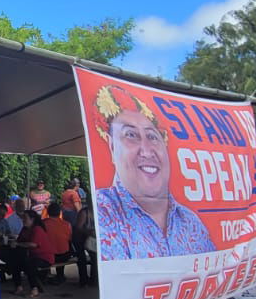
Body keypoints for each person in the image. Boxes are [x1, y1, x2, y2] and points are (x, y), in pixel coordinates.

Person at [91, 86, 216, 260]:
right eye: (131, 135)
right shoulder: (105, 213)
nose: (147, 151)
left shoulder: (190, 222)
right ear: (112, 147)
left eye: (152, 137)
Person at [13, 211, 52, 297]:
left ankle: (34, 288)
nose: (23, 220)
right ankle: (18, 287)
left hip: (44, 257)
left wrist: (18, 244)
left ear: (32, 219)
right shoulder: (25, 229)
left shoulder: (37, 229)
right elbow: (19, 240)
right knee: (15, 262)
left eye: (25, 218)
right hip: (31, 255)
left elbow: (33, 244)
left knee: (29, 264)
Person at [42, 202, 75, 284]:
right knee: (64, 247)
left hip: (49, 256)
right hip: (65, 255)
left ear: (48, 212)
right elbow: (70, 239)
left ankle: (45, 275)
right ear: (60, 212)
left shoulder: (43, 223)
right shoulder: (67, 224)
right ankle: (60, 275)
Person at [73, 206, 98, 286]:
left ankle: (93, 280)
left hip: (90, 238)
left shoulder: (98, 211)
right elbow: (78, 227)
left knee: (95, 258)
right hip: (80, 238)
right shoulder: (84, 212)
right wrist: (89, 232)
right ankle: (84, 280)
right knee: (82, 258)